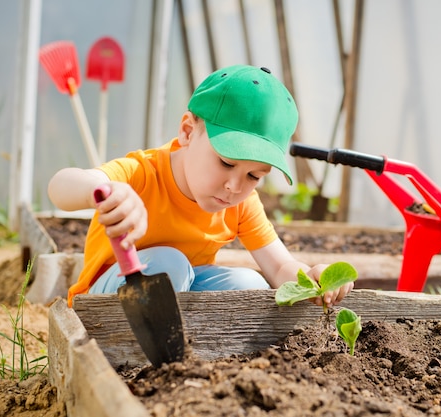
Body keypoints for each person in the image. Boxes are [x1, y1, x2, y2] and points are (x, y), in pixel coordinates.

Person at [48, 64, 354, 308]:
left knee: (251, 286)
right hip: (110, 297)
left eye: (254, 176)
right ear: (187, 132)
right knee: (171, 265)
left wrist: (312, 279)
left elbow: (279, 267)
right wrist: (105, 192)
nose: (235, 186)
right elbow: (60, 185)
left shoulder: (242, 204)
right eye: (226, 162)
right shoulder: (143, 173)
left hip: (182, 291)